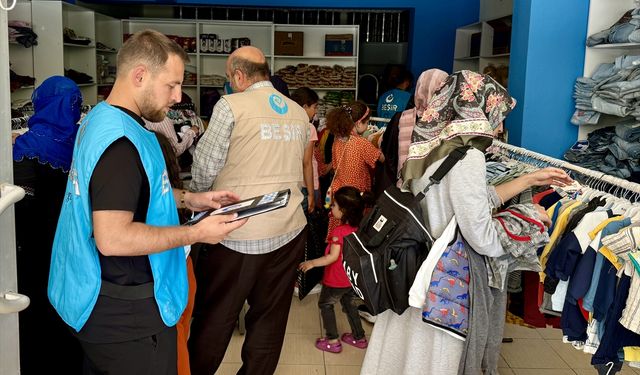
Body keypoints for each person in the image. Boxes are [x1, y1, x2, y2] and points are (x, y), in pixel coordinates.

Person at [47, 30, 247, 375]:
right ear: (140, 75)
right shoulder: (120, 145)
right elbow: (113, 238)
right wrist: (196, 234)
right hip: (126, 318)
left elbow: (131, 194)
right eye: (171, 85)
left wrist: (189, 198)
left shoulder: (103, 119)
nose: (178, 95)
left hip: (99, 304)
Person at [361, 70, 572, 374]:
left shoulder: (430, 143)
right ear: (476, 109)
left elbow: (460, 199)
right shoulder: (469, 156)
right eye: (497, 115)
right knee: (430, 361)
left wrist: (529, 179)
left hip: (412, 268)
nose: (499, 127)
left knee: (402, 358)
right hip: (442, 284)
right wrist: (527, 218)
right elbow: (481, 236)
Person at [188, 46, 310, 375]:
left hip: (236, 233)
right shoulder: (299, 111)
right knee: (270, 319)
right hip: (289, 229)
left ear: (239, 77)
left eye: (230, 77)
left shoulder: (230, 105)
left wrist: (196, 201)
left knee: (215, 317)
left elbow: (203, 169)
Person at [13, 75, 84, 374]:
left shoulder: (27, 145)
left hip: (35, 245)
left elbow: (20, 202)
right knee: (67, 311)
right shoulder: (83, 142)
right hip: (75, 244)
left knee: (35, 314)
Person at [299, 186, 370, 353]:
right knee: (350, 305)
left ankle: (332, 340)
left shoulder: (339, 231)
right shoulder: (359, 229)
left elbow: (332, 257)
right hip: (351, 278)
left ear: (344, 210)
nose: (331, 208)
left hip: (336, 279)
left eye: (334, 205)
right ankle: (359, 338)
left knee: (325, 304)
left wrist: (312, 263)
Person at [376, 68, 449, 196]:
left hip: (397, 190)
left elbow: (387, 150)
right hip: (432, 194)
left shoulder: (397, 113)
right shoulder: (449, 125)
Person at [324, 101, 384, 239]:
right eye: (367, 122)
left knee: (338, 231)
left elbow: (334, 165)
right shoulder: (361, 143)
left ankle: (335, 254)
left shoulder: (337, 140)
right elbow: (381, 159)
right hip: (355, 195)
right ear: (358, 123)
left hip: (339, 193)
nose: (368, 126)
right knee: (352, 232)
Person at [291, 86, 320, 212]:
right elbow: (307, 163)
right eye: (314, 107)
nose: (316, 111)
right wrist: (311, 194)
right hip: (306, 185)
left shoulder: (285, 126)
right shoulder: (309, 128)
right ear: (304, 107)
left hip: (291, 183)